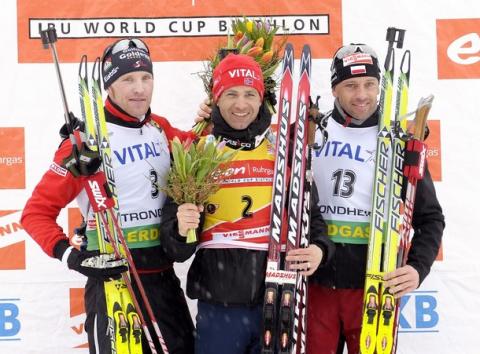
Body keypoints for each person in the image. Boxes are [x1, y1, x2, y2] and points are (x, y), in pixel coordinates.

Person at [21, 38, 195, 354]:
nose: (139, 88)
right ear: (110, 86)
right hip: (111, 283)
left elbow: (207, 147)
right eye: (127, 79)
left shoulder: (161, 129)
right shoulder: (84, 143)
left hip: (162, 282)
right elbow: (35, 213)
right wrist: (71, 255)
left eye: (145, 78)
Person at [159, 53, 335, 354]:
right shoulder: (198, 150)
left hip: (279, 296)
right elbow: (176, 250)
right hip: (219, 303)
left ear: (261, 99)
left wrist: (320, 249)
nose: (241, 105)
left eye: (249, 94)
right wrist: (179, 229)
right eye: (230, 94)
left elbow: (312, 216)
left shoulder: (282, 149)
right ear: (215, 99)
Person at [307, 43, 445, 353]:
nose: (361, 95)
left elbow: (431, 218)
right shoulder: (310, 134)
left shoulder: (400, 141)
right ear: (334, 89)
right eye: (351, 85)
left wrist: (416, 268)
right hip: (317, 283)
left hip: (373, 285)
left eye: (370, 84)